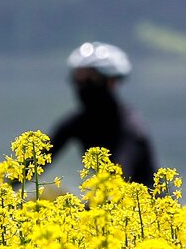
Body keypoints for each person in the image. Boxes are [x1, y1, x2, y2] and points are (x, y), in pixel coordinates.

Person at [48, 42, 157, 188]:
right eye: (77, 79)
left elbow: (117, 179)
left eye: (89, 80)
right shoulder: (76, 123)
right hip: (103, 200)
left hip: (144, 207)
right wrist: (7, 188)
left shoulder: (130, 128)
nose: (82, 86)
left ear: (111, 81)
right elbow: (35, 164)